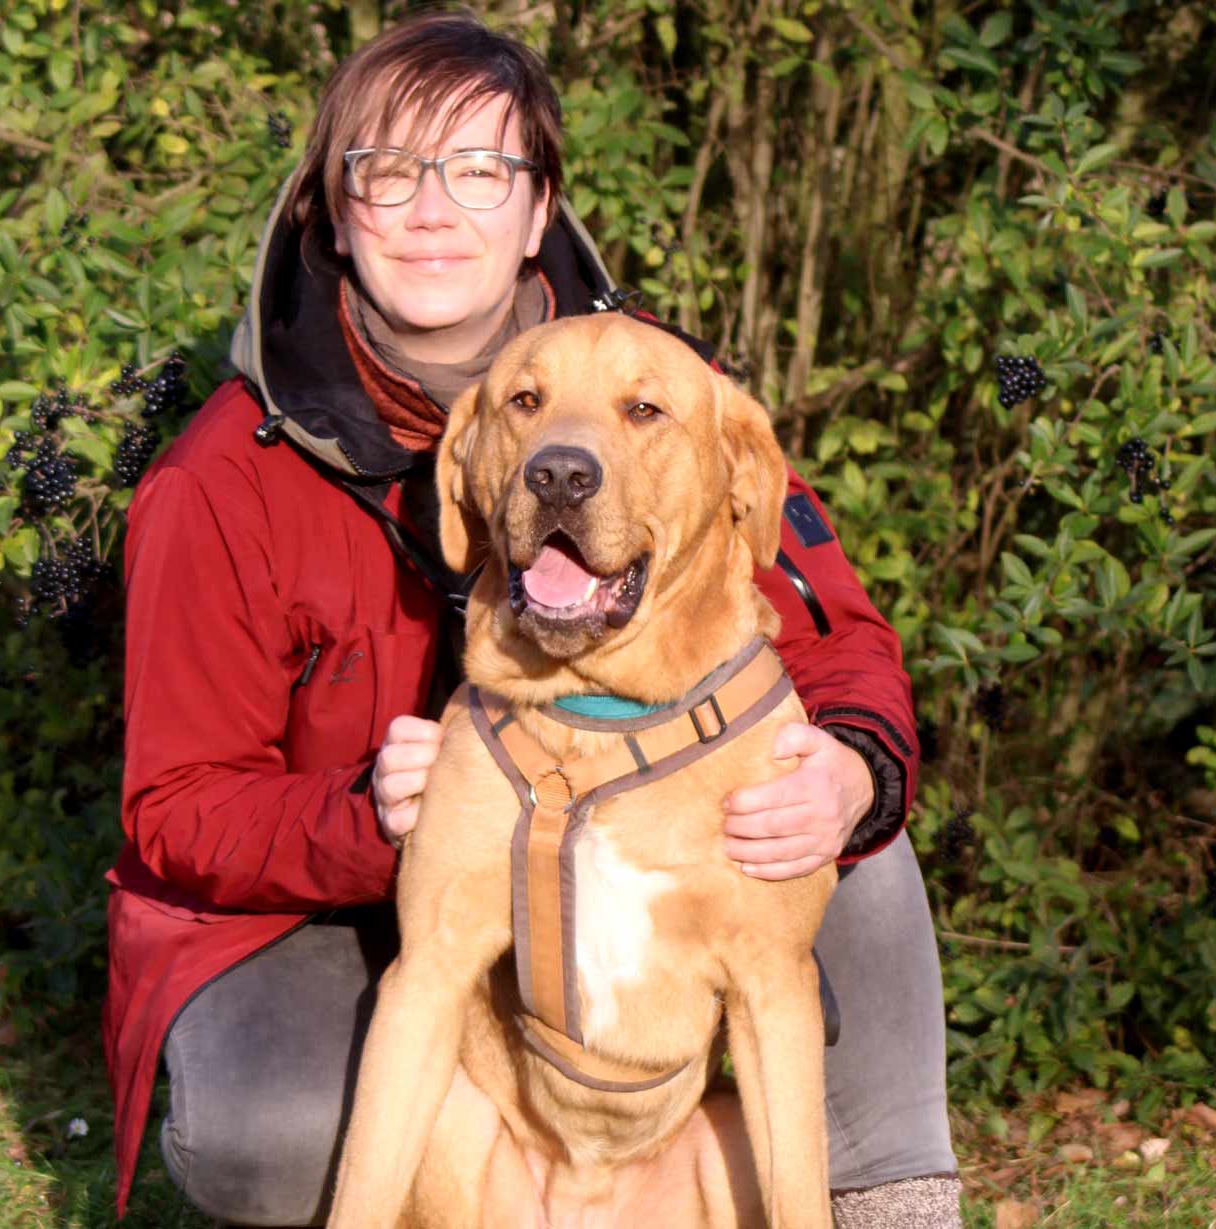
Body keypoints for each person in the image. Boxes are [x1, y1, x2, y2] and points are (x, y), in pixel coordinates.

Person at [102, 10, 960, 1227]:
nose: (431, 209)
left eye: (478, 168)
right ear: (331, 210)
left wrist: (855, 770)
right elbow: (173, 806)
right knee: (269, 1126)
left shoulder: (662, 387)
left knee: (820, 790)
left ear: (538, 204)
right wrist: (363, 810)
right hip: (329, 902)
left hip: (636, 835)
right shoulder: (218, 482)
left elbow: (839, 634)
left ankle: (894, 1201)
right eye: (386, 171)